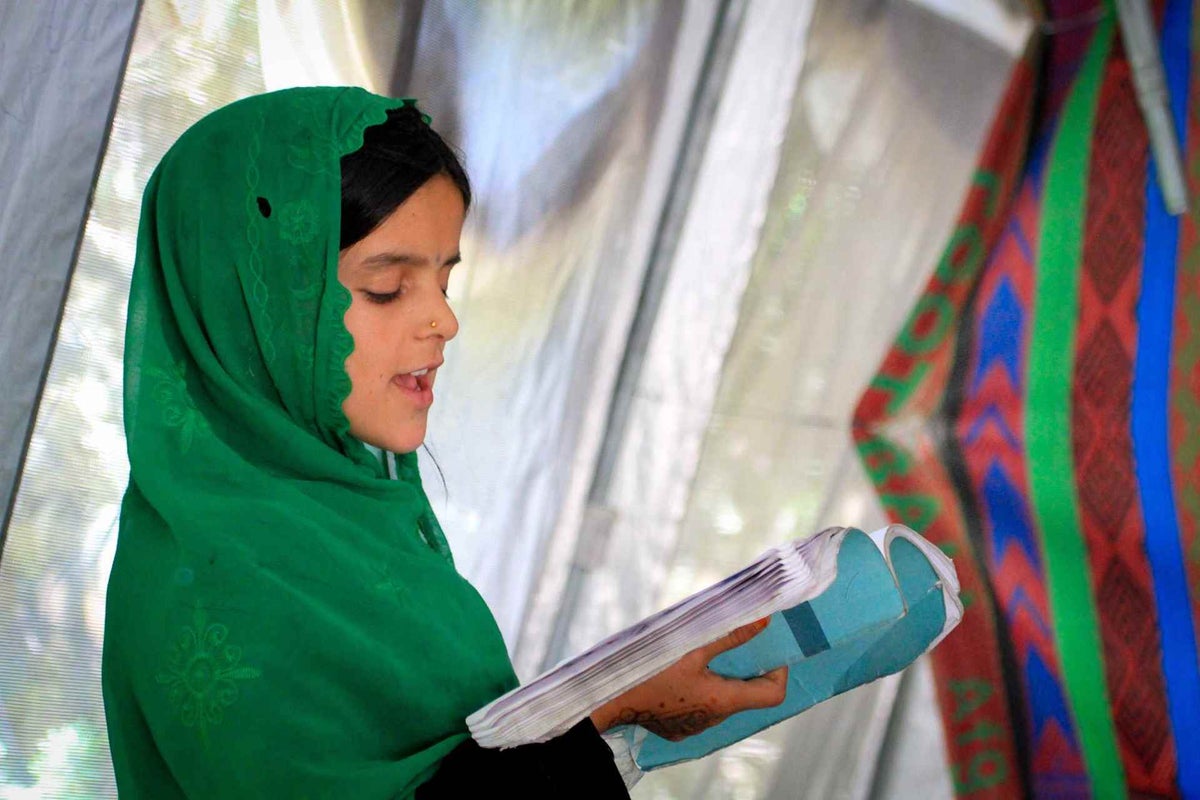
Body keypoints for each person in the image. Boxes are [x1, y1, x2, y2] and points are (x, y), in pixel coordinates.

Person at [102, 86, 788, 799]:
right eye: (388, 289)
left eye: (446, 279)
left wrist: (620, 718)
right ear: (252, 301)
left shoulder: (362, 524)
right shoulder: (213, 585)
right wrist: (613, 707)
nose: (443, 323)